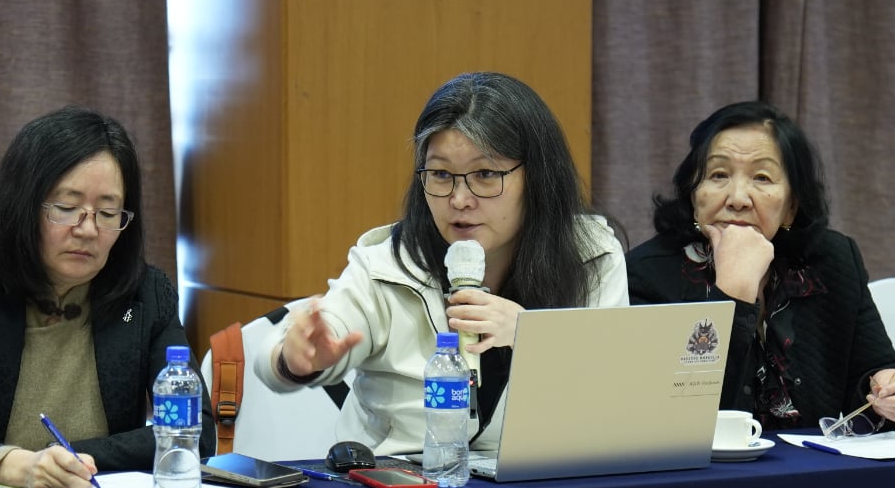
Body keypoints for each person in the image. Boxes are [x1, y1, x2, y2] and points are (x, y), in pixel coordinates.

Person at [258, 71, 627, 454]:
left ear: (537, 177)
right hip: (404, 476)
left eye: (485, 174)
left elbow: (615, 384)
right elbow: (298, 347)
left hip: (545, 474)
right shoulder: (387, 265)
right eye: (440, 174)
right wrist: (296, 359)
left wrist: (535, 337)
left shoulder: (591, 255)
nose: (459, 199)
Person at [0, 107, 200, 488]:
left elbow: (193, 433)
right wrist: (18, 467)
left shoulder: (146, 295)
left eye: (108, 212)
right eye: (66, 208)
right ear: (22, 206)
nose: (88, 230)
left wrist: (64, 460)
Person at [626, 101, 895, 429]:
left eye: (762, 178)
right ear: (694, 195)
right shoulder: (647, 273)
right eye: (719, 175)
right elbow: (672, 416)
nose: (738, 198)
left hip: (809, 460)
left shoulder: (833, 260)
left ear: (791, 206)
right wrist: (733, 295)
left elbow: (873, 379)